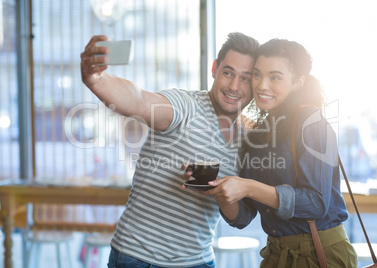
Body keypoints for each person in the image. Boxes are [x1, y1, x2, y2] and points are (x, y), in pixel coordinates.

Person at [80, 32, 259, 268]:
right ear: (214, 69)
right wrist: (96, 79)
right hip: (139, 258)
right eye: (228, 73)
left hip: (199, 261)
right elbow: (140, 101)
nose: (234, 86)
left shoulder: (247, 139)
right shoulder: (185, 106)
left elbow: (241, 218)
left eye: (245, 79)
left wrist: (221, 192)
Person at [203, 39, 358, 267]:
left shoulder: (311, 122)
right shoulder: (257, 134)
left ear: (298, 82)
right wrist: (220, 191)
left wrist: (247, 186)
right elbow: (243, 217)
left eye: (275, 77)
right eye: (257, 75)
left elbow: (316, 203)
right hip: (276, 256)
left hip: (320, 254)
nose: (261, 85)